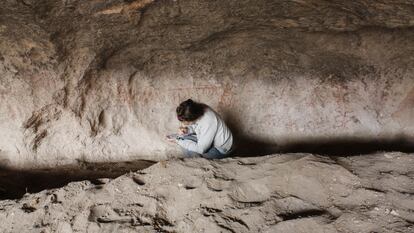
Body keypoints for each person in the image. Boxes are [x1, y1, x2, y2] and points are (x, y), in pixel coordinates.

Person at [167, 99, 234, 159]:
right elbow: (197, 126)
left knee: (184, 144)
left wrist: (178, 141)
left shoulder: (208, 121)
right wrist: (187, 130)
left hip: (221, 150)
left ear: (193, 118)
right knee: (183, 137)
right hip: (214, 142)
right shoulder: (198, 109)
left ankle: (198, 164)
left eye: (186, 122)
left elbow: (201, 149)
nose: (184, 124)